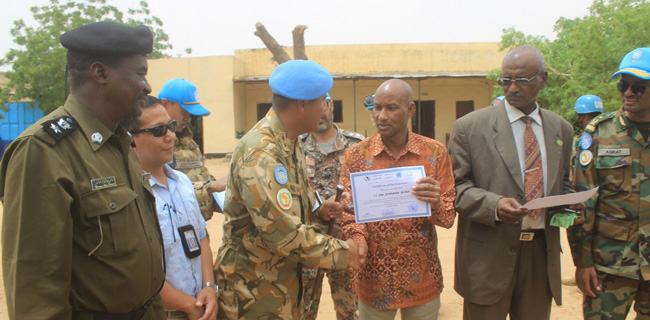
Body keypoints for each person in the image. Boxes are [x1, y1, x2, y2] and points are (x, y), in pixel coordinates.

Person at [0, 22, 165, 319]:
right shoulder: (44, 150)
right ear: (100, 73)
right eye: (140, 73)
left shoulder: (119, 142)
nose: (147, 86)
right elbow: (36, 289)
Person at [215, 59, 362, 319]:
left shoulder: (289, 141)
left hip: (278, 285)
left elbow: (287, 204)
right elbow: (282, 233)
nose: (327, 109)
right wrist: (343, 253)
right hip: (253, 293)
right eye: (322, 101)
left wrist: (319, 211)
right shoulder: (262, 152)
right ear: (302, 105)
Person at [448, 45, 577, 320]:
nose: (513, 88)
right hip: (487, 259)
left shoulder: (561, 129)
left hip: (540, 256)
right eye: (506, 80)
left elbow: (563, 184)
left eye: (522, 80)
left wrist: (572, 205)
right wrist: (494, 205)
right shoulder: (470, 127)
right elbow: (456, 189)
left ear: (543, 79)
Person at [340, 79, 456, 320]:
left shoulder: (435, 154)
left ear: (410, 110)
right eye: (376, 107)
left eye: (391, 108)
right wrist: (357, 240)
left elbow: (447, 219)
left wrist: (435, 203)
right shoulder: (356, 157)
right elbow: (350, 213)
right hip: (373, 279)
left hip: (421, 280)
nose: (381, 116)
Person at [568, 47, 650, 319]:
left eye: (637, 87)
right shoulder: (599, 134)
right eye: (623, 85)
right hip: (610, 265)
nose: (627, 93)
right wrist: (583, 262)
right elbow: (581, 204)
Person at [122, 95, 218, 320]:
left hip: (199, 306)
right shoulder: (129, 193)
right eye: (158, 130)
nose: (171, 136)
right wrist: (187, 305)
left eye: (171, 126)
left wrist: (208, 286)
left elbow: (201, 237)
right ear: (131, 139)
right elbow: (136, 270)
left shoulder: (182, 182)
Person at [299, 92, 364, 320]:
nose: (320, 112)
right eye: (313, 105)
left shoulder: (356, 145)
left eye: (323, 105)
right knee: (303, 312)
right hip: (308, 246)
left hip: (346, 245)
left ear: (331, 105)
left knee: (350, 313)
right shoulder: (295, 147)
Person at [159, 78, 226, 221]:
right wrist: (211, 187)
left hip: (198, 226)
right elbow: (162, 192)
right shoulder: (154, 144)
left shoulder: (189, 142)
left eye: (190, 113)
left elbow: (204, 178)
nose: (188, 118)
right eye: (184, 111)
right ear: (164, 104)